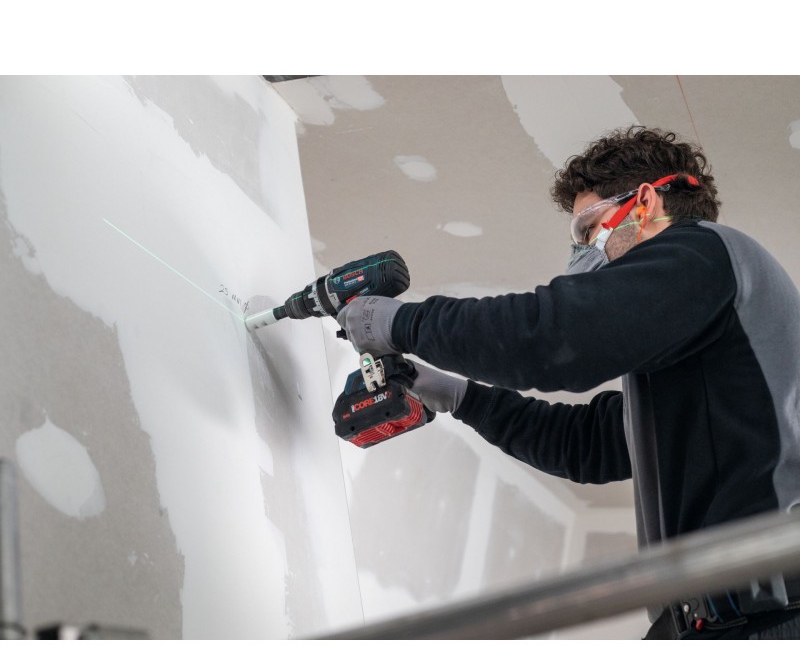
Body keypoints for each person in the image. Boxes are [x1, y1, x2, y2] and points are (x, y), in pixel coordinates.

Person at [337, 126, 800, 640]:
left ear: (645, 203)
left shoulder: (704, 251)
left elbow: (552, 338)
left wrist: (400, 322)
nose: (582, 251)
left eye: (588, 229)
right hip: (717, 619)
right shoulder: (698, 356)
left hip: (769, 613)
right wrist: (455, 394)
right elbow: (589, 445)